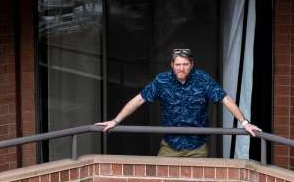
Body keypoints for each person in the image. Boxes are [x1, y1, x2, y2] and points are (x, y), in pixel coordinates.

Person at [97, 47, 261, 157]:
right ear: (172, 65)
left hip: (197, 148)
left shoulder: (203, 79)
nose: (181, 68)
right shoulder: (162, 81)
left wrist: (244, 122)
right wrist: (116, 120)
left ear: (192, 64)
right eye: (178, 64)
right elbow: (139, 99)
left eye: (185, 64)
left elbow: (225, 99)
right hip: (170, 146)